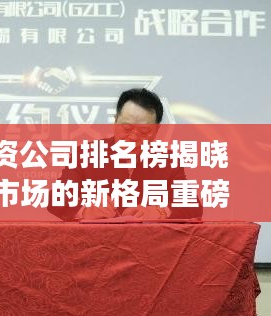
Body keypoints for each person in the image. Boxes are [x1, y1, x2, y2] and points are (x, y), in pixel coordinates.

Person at [47, 88, 203, 221]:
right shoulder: (87, 154)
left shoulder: (167, 160)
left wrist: (161, 212)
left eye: (144, 131)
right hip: (97, 242)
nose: (133, 137)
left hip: (148, 243)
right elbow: (55, 200)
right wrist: (85, 211)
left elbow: (193, 207)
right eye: (127, 128)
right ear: (115, 121)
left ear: (156, 131)